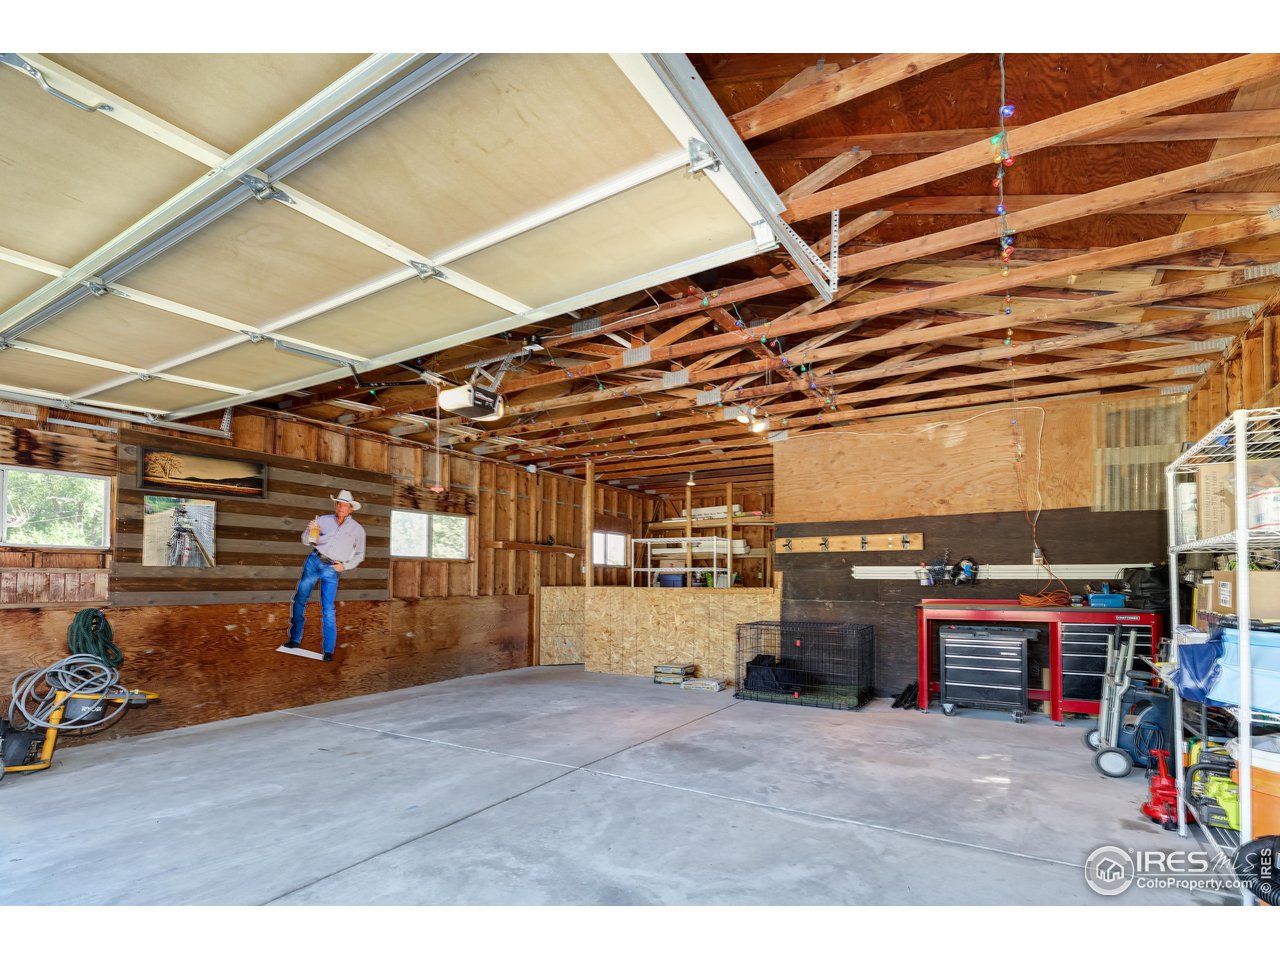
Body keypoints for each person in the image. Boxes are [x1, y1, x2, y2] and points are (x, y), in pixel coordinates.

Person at [284, 489, 366, 662]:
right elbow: (306, 541)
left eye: (345, 505)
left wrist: (345, 566)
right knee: (300, 598)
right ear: (336, 505)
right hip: (314, 561)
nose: (341, 508)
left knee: (328, 608)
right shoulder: (322, 520)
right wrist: (309, 530)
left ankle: (328, 650)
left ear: (351, 509)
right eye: (339, 504)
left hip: (332, 568)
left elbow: (360, 554)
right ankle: (294, 639)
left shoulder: (358, 529)